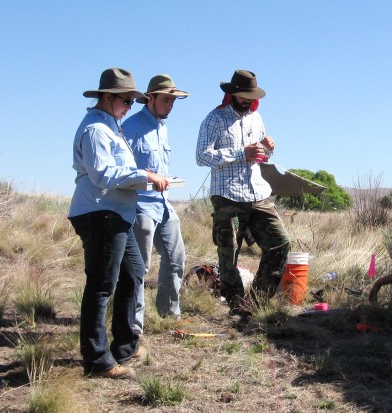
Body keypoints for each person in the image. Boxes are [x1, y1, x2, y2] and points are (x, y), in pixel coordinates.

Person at [68, 68, 169, 379]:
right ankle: (96, 360)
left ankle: (125, 345)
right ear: (108, 98)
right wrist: (145, 176)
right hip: (101, 213)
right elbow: (101, 175)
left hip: (117, 213)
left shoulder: (112, 126)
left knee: (134, 274)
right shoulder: (97, 129)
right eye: (126, 101)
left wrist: (144, 179)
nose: (130, 107)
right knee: (101, 286)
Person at [196, 69, 290, 316]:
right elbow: (201, 156)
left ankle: (257, 302)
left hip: (257, 192)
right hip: (227, 194)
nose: (248, 100)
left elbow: (259, 155)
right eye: (244, 95)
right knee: (228, 252)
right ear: (233, 93)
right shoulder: (214, 119)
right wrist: (240, 153)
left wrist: (268, 149)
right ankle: (235, 302)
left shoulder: (256, 118)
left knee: (280, 243)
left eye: (252, 95)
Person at [122, 74, 189, 334]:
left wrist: (165, 180)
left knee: (176, 258)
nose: (170, 105)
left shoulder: (163, 127)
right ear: (150, 99)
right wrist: (149, 178)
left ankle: (169, 314)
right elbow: (124, 168)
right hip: (139, 205)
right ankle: (132, 325)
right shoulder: (131, 126)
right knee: (140, 267)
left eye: (173, 101)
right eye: (166, 100)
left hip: (162, 203)